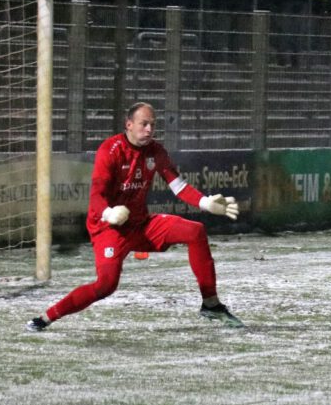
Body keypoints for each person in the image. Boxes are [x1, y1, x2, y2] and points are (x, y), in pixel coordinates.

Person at [26, 103, 242, 332]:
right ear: (129, 124)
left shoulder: (156, 151)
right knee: (106, 285)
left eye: (153, 125)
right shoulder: (110, 150)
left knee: (194, 231)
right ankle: (46, 317)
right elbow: (96, 195)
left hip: (141, 224)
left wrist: (205, 202)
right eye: (144, 124)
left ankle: (211, 304)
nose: (149, 130)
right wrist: (109, 213)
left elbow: (178, 186)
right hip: (109, 228)